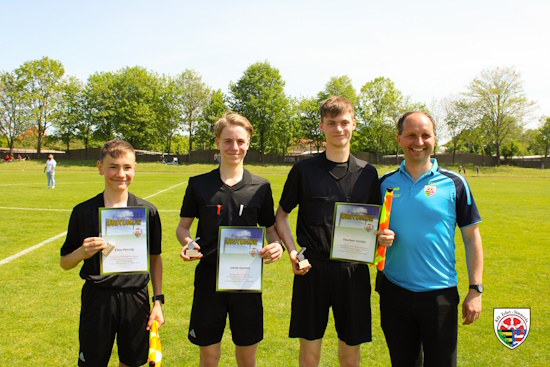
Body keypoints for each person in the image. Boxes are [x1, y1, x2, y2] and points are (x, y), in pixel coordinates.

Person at [275, 96, 394, 367]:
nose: (338, 129)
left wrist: (384, 237)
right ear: (322, 127)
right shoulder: (303, 170)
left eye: (344, 122)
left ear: (353, 124)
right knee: (309, 353)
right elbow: (281, 216)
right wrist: (293, 251)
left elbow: (377, 225)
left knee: (350, 354)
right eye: (332, 123)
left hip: (353, 272)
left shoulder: (368, 173)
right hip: (311, 270)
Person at [176, 112, 284, 367]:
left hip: (246, 281)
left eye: (240, 141)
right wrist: (188, 242)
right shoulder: (198, 184)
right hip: (208, 280)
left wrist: (277, 246)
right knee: (210, 356)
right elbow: (182, 228)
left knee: (247, 357)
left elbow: (270, 230)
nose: (234, 147)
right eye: (227, 141)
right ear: (217, 143)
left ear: (248, 143)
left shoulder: (261, 187)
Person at [377, 111, 483, 367]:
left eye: (425, 135)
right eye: (411, 135)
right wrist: (377, 237)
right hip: (394, 292)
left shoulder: (455, 183)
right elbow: (366, 232)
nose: (419, 141)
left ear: (434, 138)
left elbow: (472, 238)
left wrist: (475, 289)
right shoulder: (383, 183)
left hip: (439, 295)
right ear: (399, 139)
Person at [60, 140, 164, 367]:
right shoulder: (83, 211)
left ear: (135, 168)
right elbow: (65, 262)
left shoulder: (148, 212)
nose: (121, 174)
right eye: (113, 167)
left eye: (127, 167)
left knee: (132, 362)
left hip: (136, 298)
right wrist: (82, 252)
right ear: (100, 167)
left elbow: (155, 258)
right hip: (98, 299)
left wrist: (157, 301)